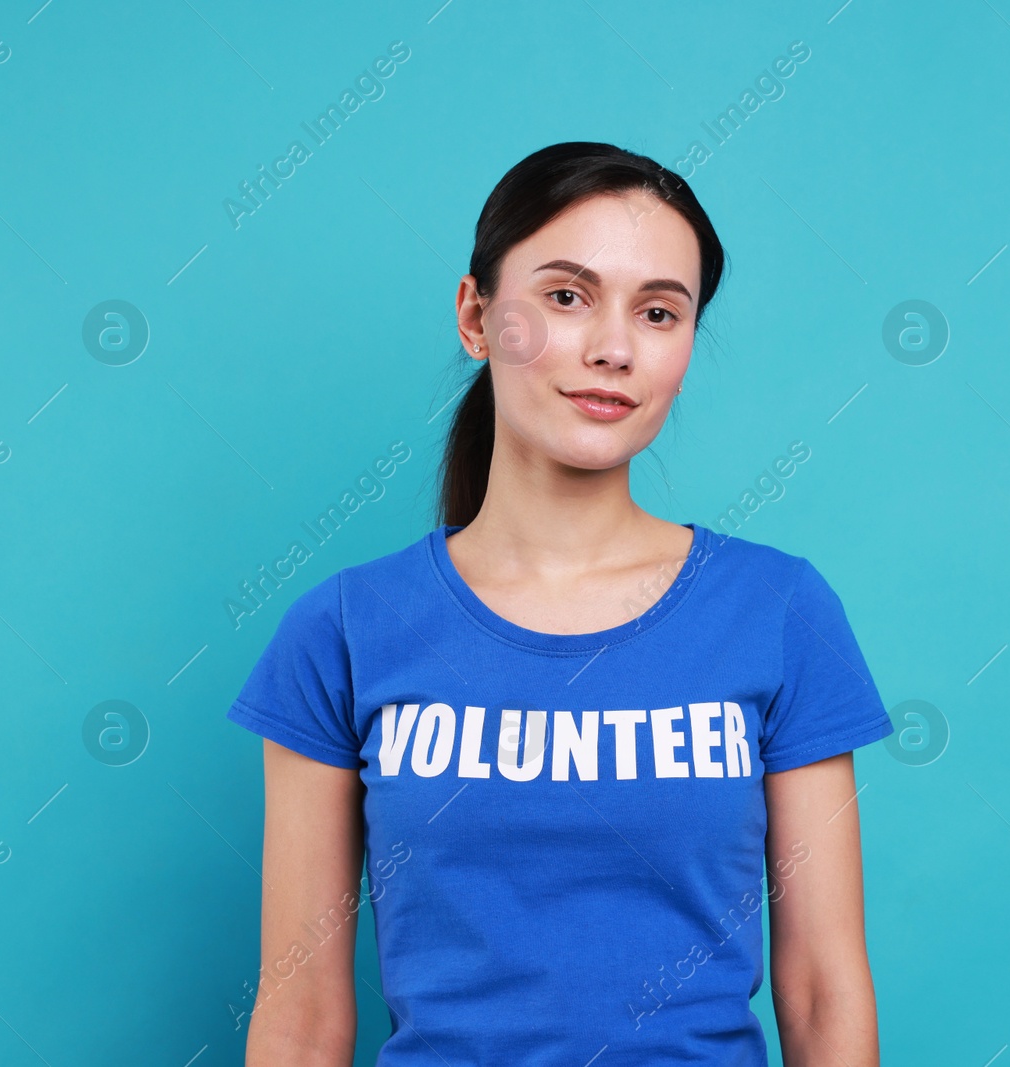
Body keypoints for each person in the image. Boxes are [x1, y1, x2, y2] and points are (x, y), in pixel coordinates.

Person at [227, 141, 892, 1066]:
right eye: (567, 296)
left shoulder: (780, 611)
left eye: (659, 312)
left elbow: (824, 990)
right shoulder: (343, 630)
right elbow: (299, 1016)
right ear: (476, 315)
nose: (614, 348)